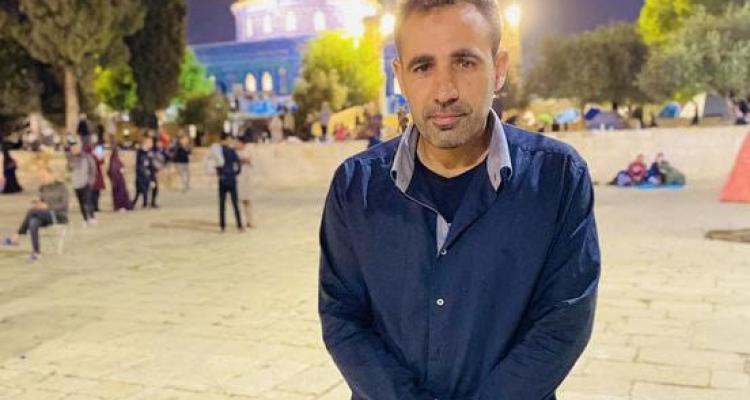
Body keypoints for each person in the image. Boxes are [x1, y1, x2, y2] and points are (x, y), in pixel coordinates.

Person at [318, 1, 600, 399]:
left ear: (498, 69)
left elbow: (563, 322)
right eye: (423, 67)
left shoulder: (557, 180)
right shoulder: (355, 188)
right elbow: (343, 318)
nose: (444, 92)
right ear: (400, 77)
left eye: (464, 63)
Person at [3, 167, 68, 262]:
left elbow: (64, 205)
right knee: (33, 222)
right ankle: (36, 252)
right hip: (45, 215)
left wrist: (48, 206)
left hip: (59, 216)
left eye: (44, 176)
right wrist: (39, 203)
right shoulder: (43, 188)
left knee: (32, 211)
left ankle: (17, 236)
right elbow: (42, 203)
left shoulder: (61, 187)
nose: (43, 179)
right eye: (41, 177)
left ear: (51, 175)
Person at [216, 133, 243, 232]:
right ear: (223, 140)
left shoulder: (218, 152)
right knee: (234, 203)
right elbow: (238, 163)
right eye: (228, 140)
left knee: (223, 204)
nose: (229, 142)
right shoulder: (231, 151)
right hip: (231, 178)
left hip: (223, 179)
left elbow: (215, 165)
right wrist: (236, 172)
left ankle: (223, 226)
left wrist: (219, 173)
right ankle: (238, 225)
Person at [67, 141, 96, 225]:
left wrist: (91, 181)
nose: (73, 150)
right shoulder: (71, 159)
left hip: (86, 183)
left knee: (88, 201)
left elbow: (93, 169)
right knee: (81, 202)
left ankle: (92, 217)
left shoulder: (87, 157)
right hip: (76, 184)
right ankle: (85, 218)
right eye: (72, 149)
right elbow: (69, 170)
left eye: (75, 148)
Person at [131, 136, 158, 209]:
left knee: (153, 188)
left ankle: (151, 203)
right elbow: (141, 164)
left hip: (149, 173)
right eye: (150, 142)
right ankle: (141, 203)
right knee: (141, 190)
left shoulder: (149, 152)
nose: (151, 144)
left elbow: (150, 163)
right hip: (143, 174)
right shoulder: (141, 152)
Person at [108, 138, 132, 211]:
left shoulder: (115, 159)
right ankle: (120, 206)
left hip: (119, 178)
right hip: (117, 179)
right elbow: (113, 170)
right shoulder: (114, 159)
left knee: (121, 192)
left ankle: (122, 205)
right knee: (119, 192)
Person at [236, 138, 255, 228]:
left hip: (247, 179)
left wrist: (246, 160)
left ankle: (250, 221)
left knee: (248, 201)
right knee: (239, 201)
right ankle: (241, 222)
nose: (236, 144)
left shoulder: (248, 152)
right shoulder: (234, 152)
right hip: (238, 180)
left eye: (238, 142)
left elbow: (252, 162)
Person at [85, 144, 106, 212]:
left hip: (94, 177)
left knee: (94, 193)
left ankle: (94, 206)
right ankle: (94, 206)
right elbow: (100, 162)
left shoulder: (90, 156)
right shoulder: (92, 156)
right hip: (95, 177)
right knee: (95, 193)